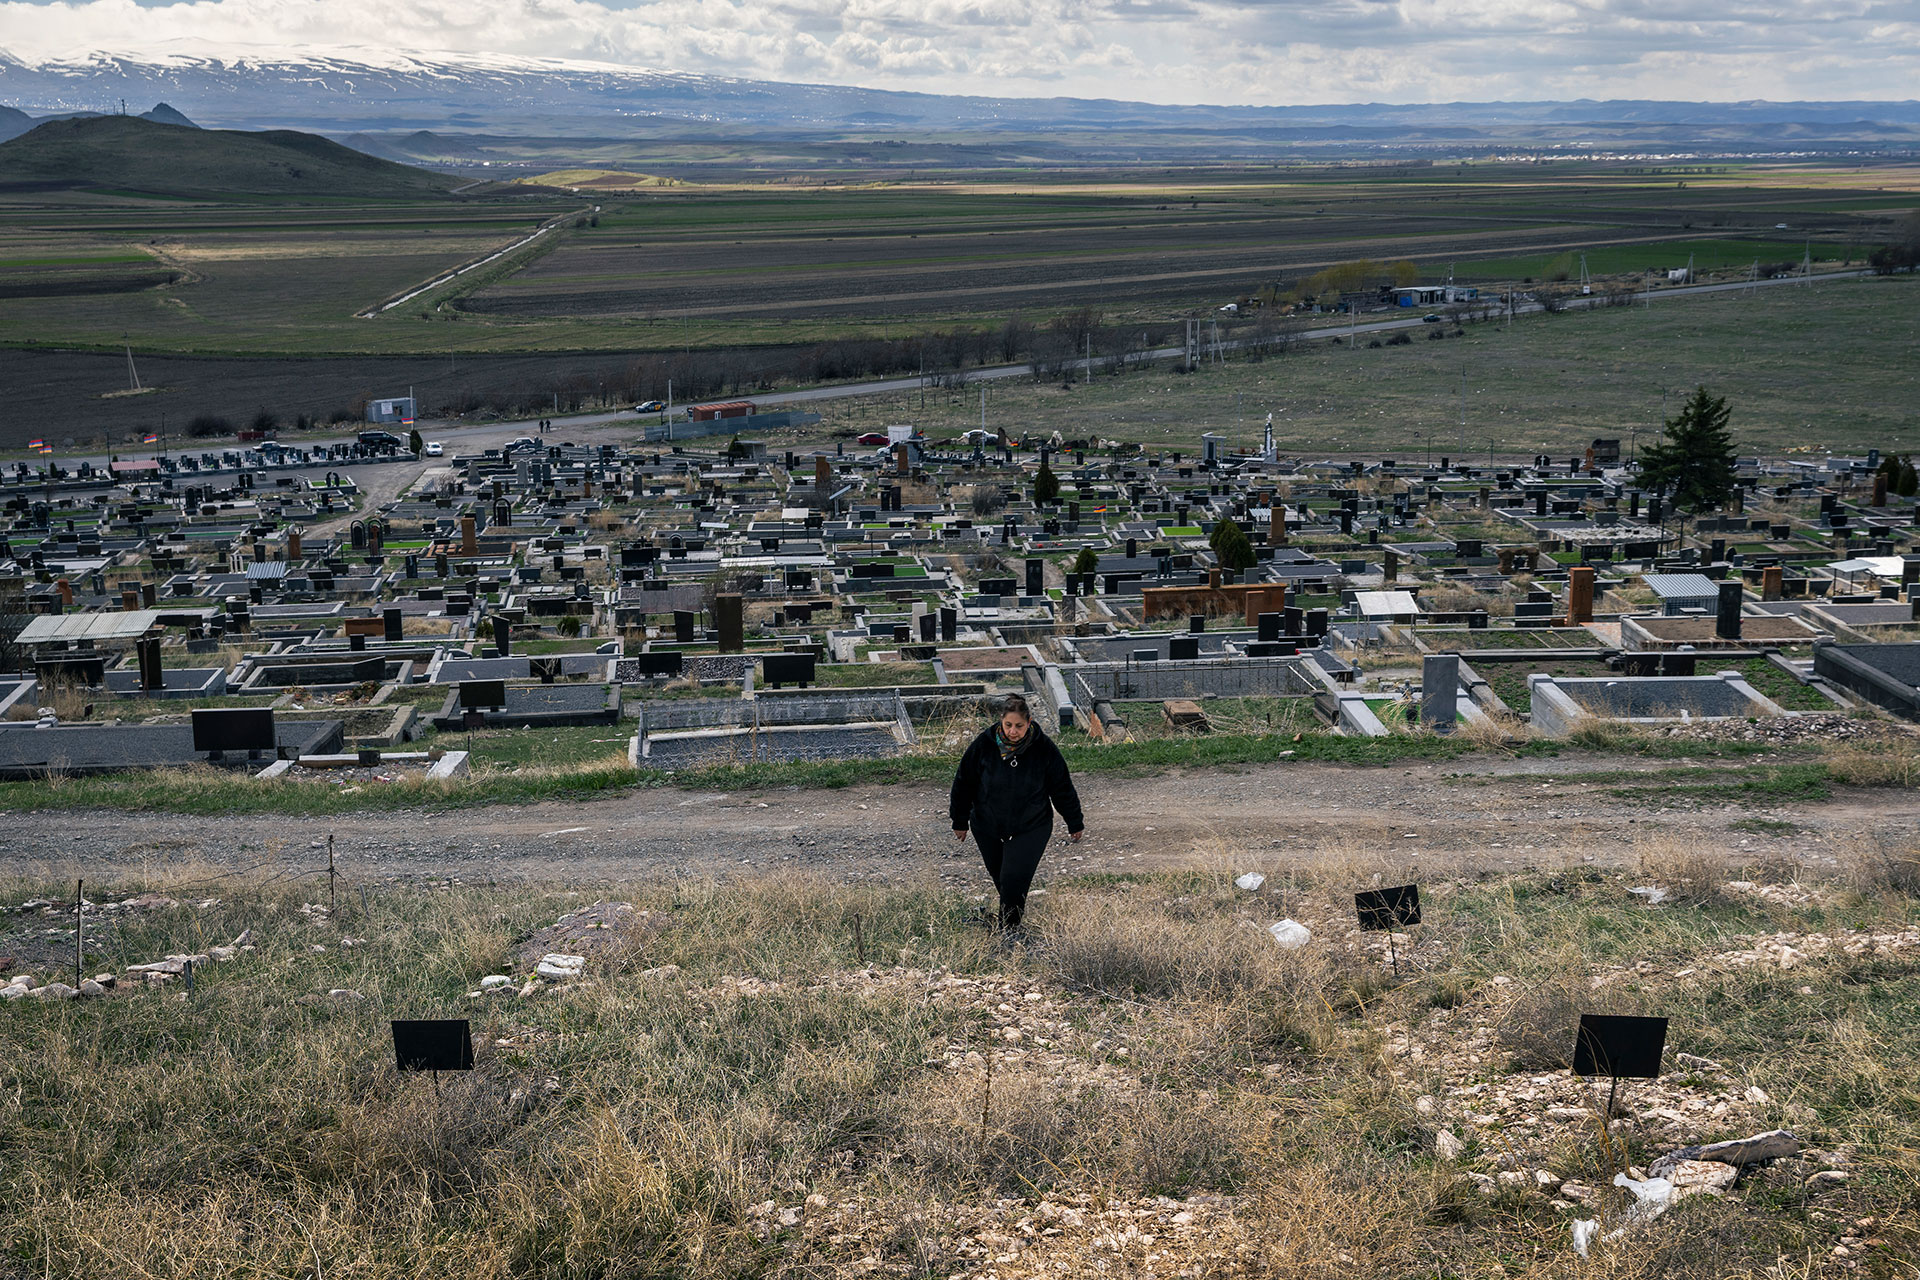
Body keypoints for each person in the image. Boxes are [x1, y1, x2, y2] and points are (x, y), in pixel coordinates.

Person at [949, 694, 1084, 931]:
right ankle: (1009, 919)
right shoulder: (983, 746)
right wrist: (960, 820)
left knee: (1014, 879)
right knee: (1002, 879)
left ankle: (1009, 933)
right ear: (1001, 721)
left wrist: (1074, 821)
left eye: (1019, 726)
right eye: (1008, 725)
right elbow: (963, 783)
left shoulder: (1044, 749)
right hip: (987, 824)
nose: (1013, 732)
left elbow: (1061, 787)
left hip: (1032, 825)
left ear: (1029, 722)